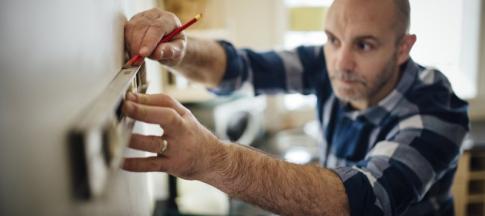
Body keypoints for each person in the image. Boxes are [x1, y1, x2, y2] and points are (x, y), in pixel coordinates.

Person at [121, 0, 469, 215]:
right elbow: (240, 67)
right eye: (333, 39)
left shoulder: (437, 110)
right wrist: (178, 49)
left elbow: (362, 201)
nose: (341, 62)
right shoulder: (328, 61)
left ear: (402, 48)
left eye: (364, 45)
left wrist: (213, 159)